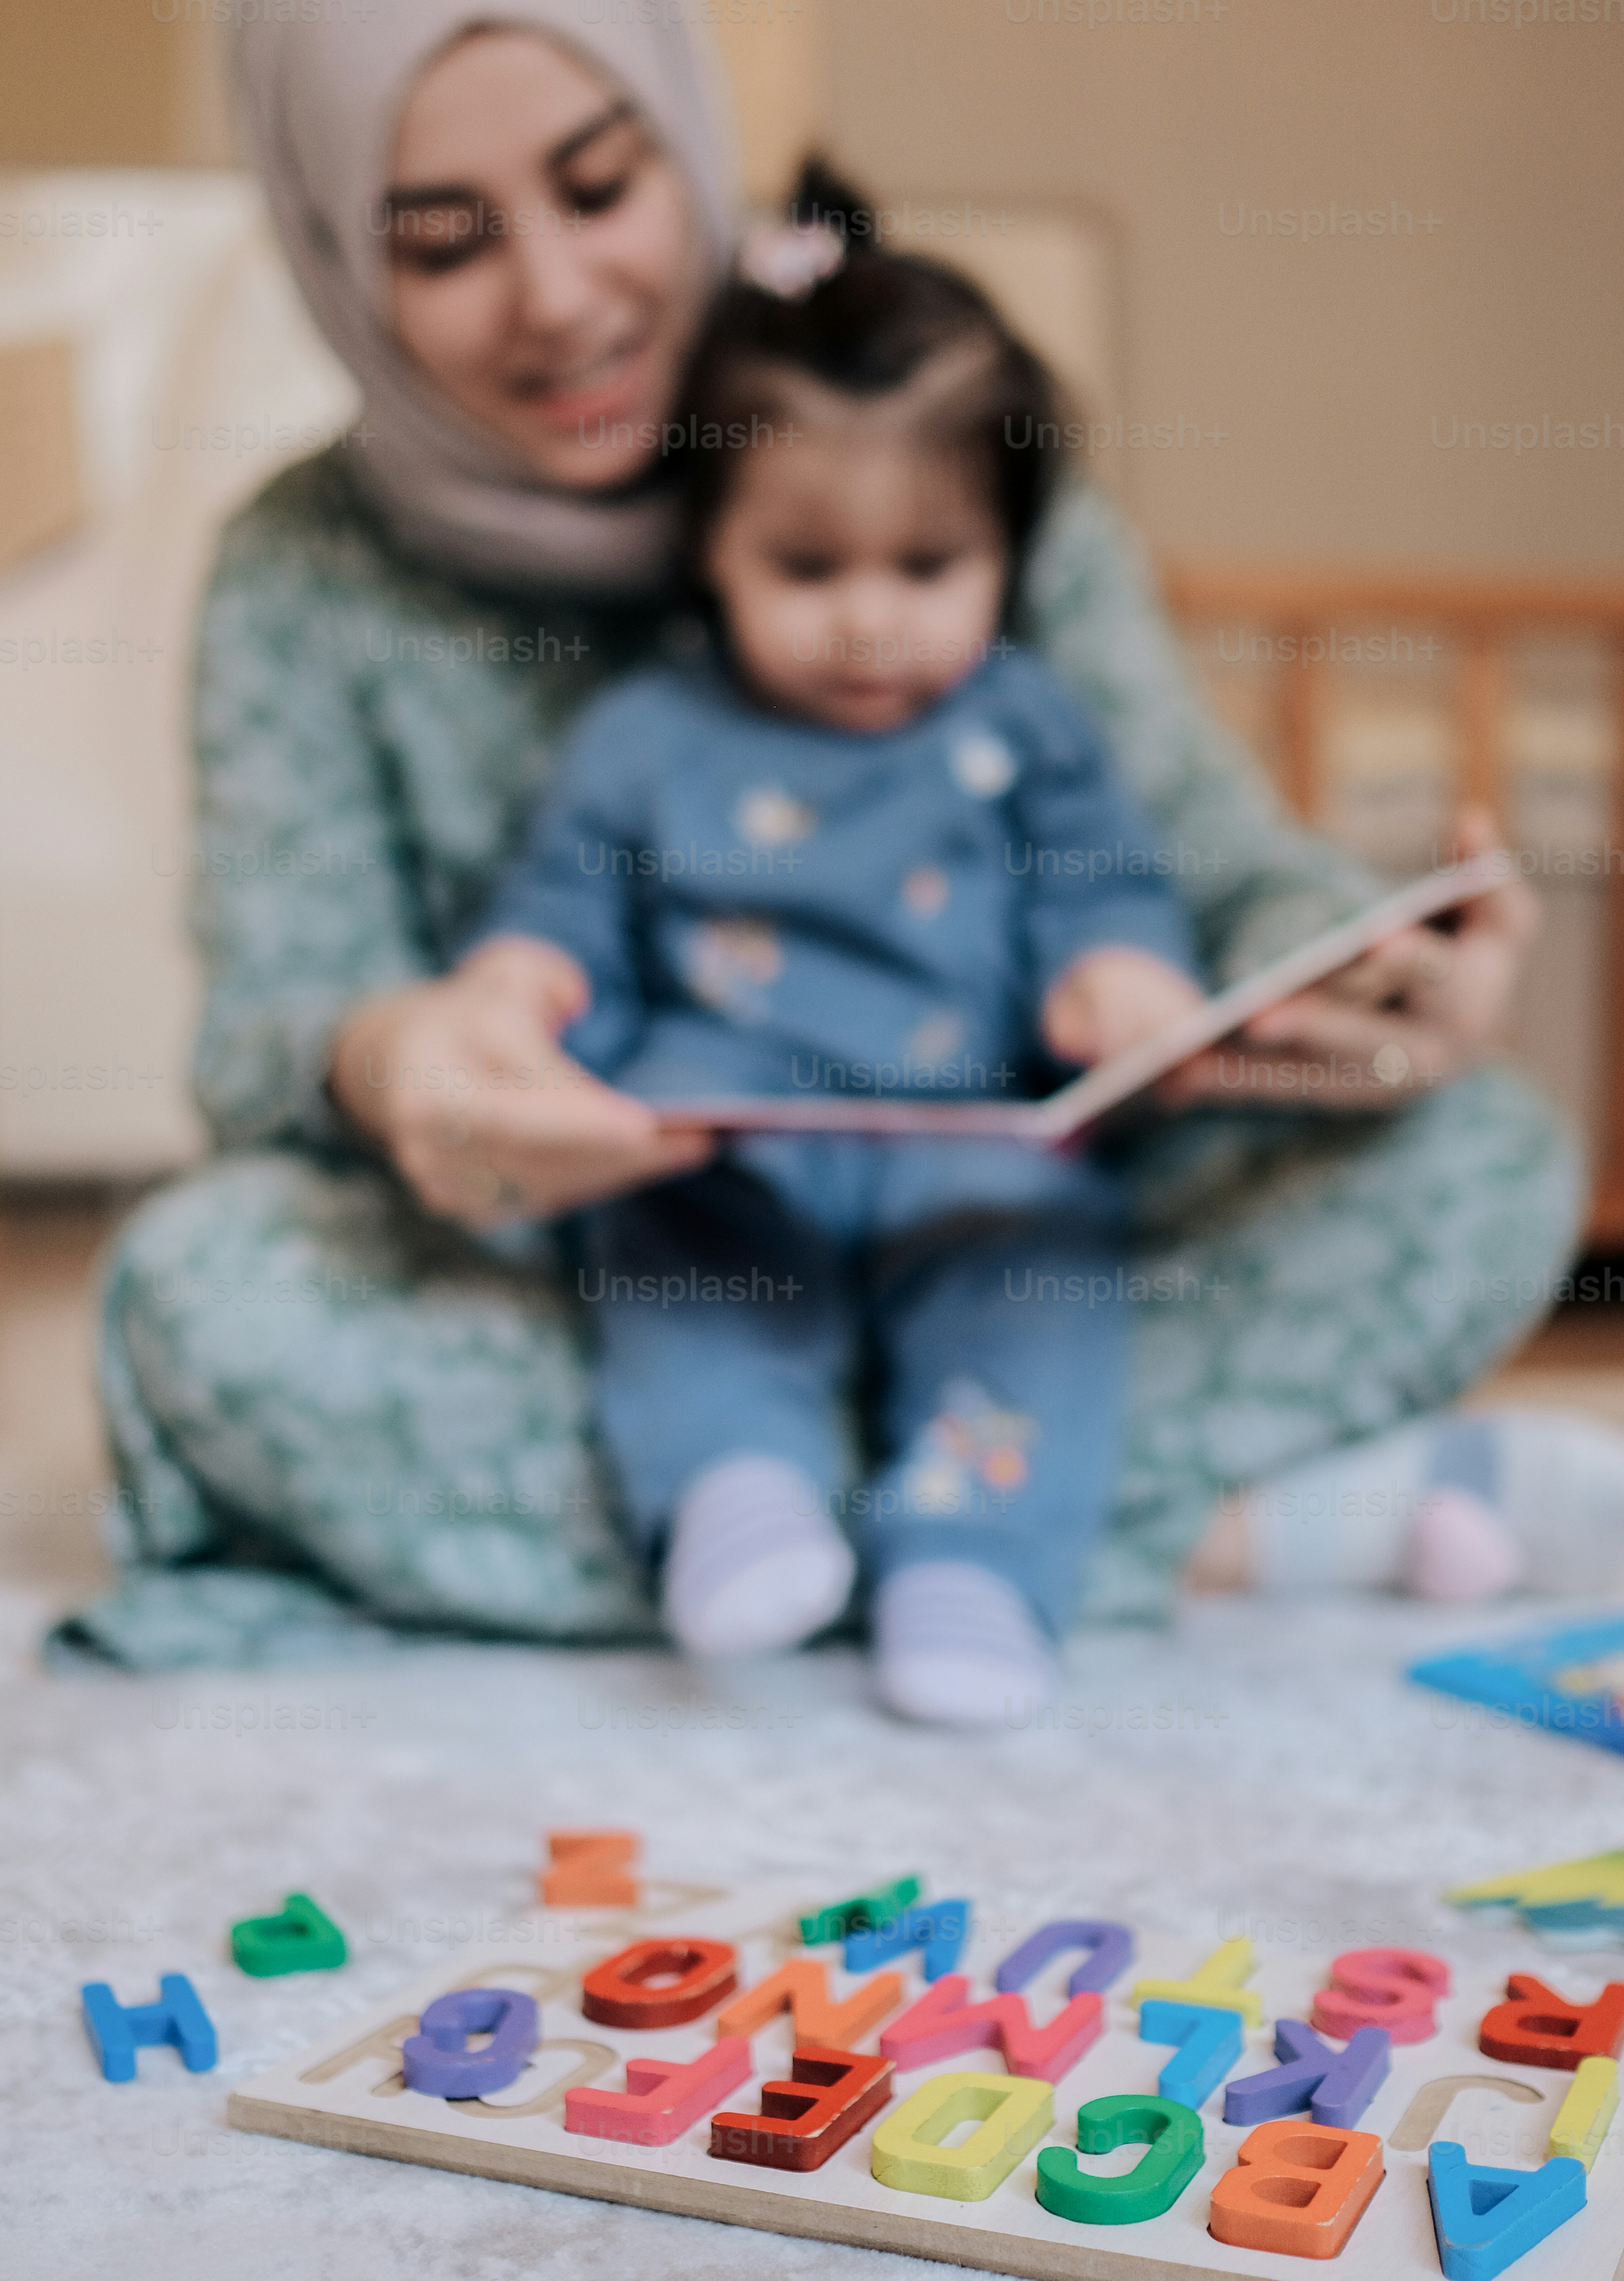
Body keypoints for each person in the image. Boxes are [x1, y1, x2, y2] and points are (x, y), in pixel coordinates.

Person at [51, 0, 1624, 1678]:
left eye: (598, 183)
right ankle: (1181, 1528)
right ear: (334, 245)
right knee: (204, 1294)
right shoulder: (304, 567)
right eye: (441, 240)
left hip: (1012, 1231)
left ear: (687, 126)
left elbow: (1202, 859)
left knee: (1476, 1156)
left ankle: (831, 1523)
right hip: (609, 1276)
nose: (558, 296)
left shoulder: (923, 426)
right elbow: (266, 1037)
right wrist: (406, 1052)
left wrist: (1356, 977)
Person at [476, 175, 1204, 1720]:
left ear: (1005, 556)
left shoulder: (1025, 723)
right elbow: (563, 910)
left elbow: (1110, 889)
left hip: (973, 1133)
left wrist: (1121, 976)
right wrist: (520, 987)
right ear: (711, 553)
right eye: (808, 571)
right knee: (664, 1249)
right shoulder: (645, 738)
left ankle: (975, 1563)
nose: (870, 621)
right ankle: (739, 1488)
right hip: (731, 1125)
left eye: (928, 567)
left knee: (1047, 1277)